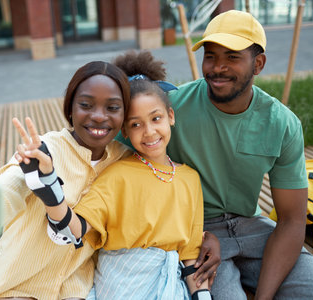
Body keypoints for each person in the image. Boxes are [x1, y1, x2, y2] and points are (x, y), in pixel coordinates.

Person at [163, 9, 313, 299]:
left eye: (232, 57)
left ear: (259, 64)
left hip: (252, 225)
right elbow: (116, 154)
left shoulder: (282, 123)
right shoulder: (170, 110)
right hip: (195, 232)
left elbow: (292, 220)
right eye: (211, 55)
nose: (217, 67)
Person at [16, 50, 213, 300]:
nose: (149, 131)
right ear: (125, 131)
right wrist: (48, 186)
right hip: (121, 283)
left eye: (156, 118)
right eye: (136, 124)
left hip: (171, 286)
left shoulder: (190, 179)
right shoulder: (117, 174)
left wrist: (202, 295)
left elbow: (189, 254)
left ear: (170, 117)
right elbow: (74, 230)